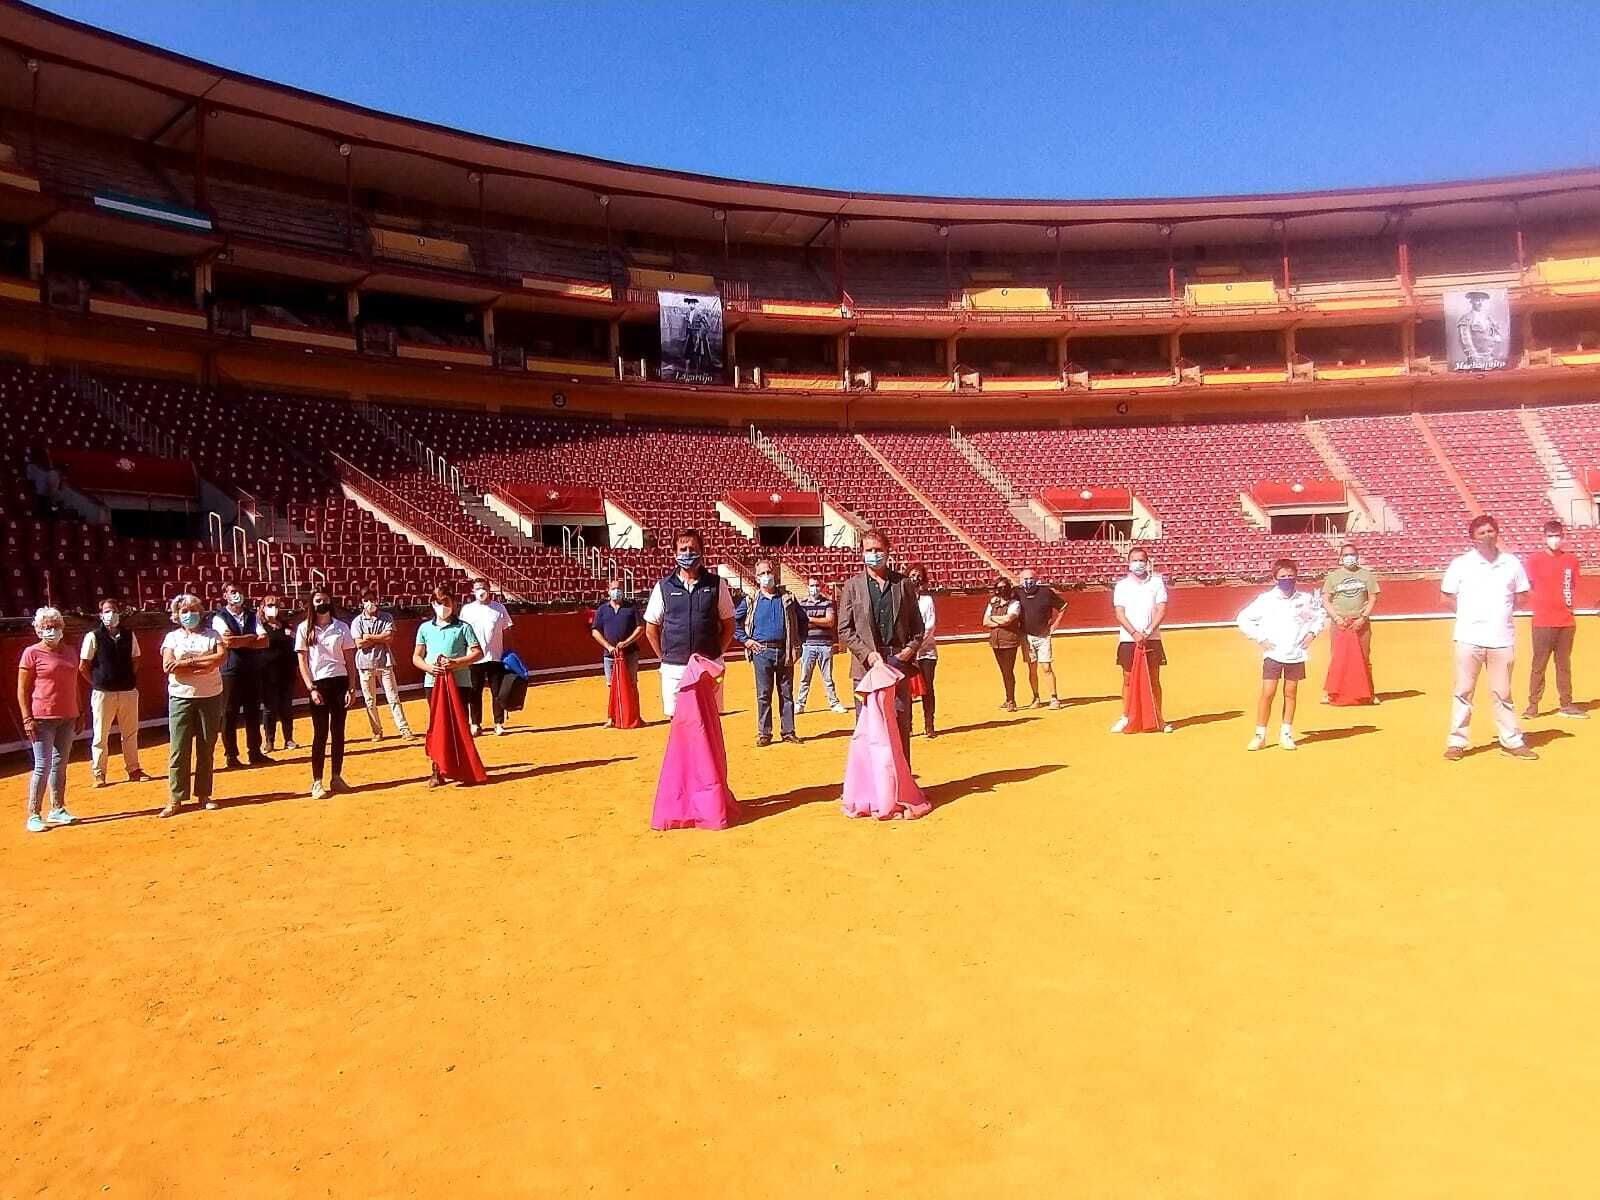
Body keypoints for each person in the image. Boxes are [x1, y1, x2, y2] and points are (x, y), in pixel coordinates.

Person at [1441, 515, 1537, 760]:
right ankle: (1456, 742)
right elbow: (1447, 598)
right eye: (1481, 532)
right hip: (1468, 637)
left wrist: (1501, 614)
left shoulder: (1511, 563)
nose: (1487, 535)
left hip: (1501, 638)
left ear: (1497, 533)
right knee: (1463, 691)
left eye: (1490, 531)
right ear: (1473, 537)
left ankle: (1512, 740)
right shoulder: (1461, 564)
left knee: (1502, 693)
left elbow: (1522, 596)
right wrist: (1468, 616)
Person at [836, 528, 925, 761]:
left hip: (897, 664)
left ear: (888, 551)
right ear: (862, 553)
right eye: (869, 550)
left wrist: (908, 651)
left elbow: (918, 627)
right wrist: (867, 654)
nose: (874, 554)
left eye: (878, 550)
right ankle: (873, 787)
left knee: (899, 724)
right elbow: (844, 629)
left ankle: (902, 782)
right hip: (866, 668)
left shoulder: (903, 584)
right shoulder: (852, 586)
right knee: (868, 728)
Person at [643, 528, 736, 718]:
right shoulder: (663, 587)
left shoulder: (717, 584)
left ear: (701, 552)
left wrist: (716, 654)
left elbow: (729, 625)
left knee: (709, 721)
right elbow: (651, 628)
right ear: (674, 553)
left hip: (708, 667)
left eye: (692, 549)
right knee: (677, 722)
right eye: (683, 549)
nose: (688, 554)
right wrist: (665, 657)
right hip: (674, 668)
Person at [1237, 559, 1327, 751]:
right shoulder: (1265, 600)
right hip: (1274, 652)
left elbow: (1319, 615)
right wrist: (1260, 638)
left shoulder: (1304, 599)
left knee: (1290, 693)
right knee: (1268, 693)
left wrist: (1312, 634)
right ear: (1274, 578)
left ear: (1296, 576)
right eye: (1283, 577)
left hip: (1296, 652)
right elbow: (1243, 618)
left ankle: (1286, 733)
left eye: (1290, 576)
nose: (1287, 579)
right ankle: (1260, 735)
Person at [160, 592, 227, 817]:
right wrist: (201, 663)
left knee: (206, 747)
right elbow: (169, 665)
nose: (190, 615)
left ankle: (204, 794)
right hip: (181, 696)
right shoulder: (172, 638)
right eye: (185, 611)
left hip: (210, 694)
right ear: (177, 615)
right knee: (179, 748)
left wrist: (187, 662)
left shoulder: (212, 634)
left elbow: (220, 658)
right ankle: (176, 797)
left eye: (194, 610)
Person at [413, 585, 485, 787]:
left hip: (460, 682)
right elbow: (416, 657)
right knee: (438, 725)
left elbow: (477, 652)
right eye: (438, 602)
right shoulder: (425, 628)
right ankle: (437, 770)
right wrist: (429, 668)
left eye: (446, 602)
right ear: (432, 604)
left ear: (453, 603)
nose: (442, 606)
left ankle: (462, 767)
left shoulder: (463, 627)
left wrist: (457, 663)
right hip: (433, 683)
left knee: (459, 725)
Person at [17, 606, 80, 832]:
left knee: (60, 765)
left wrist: (79, 711)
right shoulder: (31, 653)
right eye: (45, 627)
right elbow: (22, 690)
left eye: (54, 626)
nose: (50, 630)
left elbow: (75, 684)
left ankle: (58, 808)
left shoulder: (70, 651)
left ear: (61, 628)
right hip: (42, 717)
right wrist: (27, 718)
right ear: (38, 630)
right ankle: (33, 814)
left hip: (68, 715)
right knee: (42, 766)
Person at [733, 557, 804, 746]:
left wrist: (799, 644)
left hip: (784, 650)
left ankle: (788, 731)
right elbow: (734, 622)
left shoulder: (787, 598)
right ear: (756, 578)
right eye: (762, 573)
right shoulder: (751, 600)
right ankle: (765, 732)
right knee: (764, 694)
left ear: (775, 574)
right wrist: (746, 641)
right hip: (761, 651)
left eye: (769, 572)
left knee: (786, 693)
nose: (766, 576)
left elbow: (803, 621)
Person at [295, 589, 359, 799]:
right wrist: (311, 688)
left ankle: (336, 776)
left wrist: (352, 687)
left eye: (324, 600)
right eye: (317, 601)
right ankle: (317, 782)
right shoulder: (304, 628)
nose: (321, 603)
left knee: (338, 731)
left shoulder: (341, 628)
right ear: (311, 604)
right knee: (320, 733)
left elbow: (349, 659)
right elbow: (303, 662)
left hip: (339, 682)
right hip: (319, 685)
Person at [78, 595, 148, 786]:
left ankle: (133, 769)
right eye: (107, 611)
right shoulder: (93, 636)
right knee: (101, 734)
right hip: (103, 692)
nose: (112, 615)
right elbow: (83, 665)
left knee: (131, 732)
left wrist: (127, 678)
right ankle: (99, 773)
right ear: (101, 615)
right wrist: (97, 682)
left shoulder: (128, 635)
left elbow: (136, 659)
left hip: (127, 690)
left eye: (115, 611)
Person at [1523, 518, 1585, 720]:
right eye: (1551, 536)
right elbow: (1528, 586)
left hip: (1566, 621)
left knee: (1564, 664)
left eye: (1557, 536)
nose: (1554, 540)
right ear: (1544, 537)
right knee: (1539, 664)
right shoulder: (1534, 560)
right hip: (1542, 621)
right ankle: (1533, 705)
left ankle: (1566, 703)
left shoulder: (1571, 561)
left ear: (1563, 537)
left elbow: (1572, 585)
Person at [1111, 547, 1172, 733]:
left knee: (1154, 678)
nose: (1138, 563)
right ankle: (1126, 716)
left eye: (1141, 560)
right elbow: (1119, 613)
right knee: (1128, 678)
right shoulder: (1122, 586)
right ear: (1129, 563)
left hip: (1151, 637)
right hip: (1129, 639)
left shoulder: (1157, 583)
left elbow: (1162, 609)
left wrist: (1147, 631)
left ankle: (1158, 717)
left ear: (1147, 562)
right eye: (1135, 560)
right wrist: (1135, 633)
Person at [212, 579, 269, 768]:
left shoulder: (253, 615)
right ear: (225, 595)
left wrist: (240, 640)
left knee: (253, 711)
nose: (237, 594)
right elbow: (227, 643)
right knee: (229, 713)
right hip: (230, 670)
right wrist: (251, 638)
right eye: (232, 591)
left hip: (252, 669)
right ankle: (231, 755)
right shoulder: (219, 617)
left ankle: (255, 752)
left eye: (239, 591)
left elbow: (264, 641)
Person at [1321, 542, 1381, 701]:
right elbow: (1326, 599)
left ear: (1357, 556)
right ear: (1341, 558)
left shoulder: (1367, 575)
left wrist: (1363, 617)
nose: (1349, 558)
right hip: (1339, 622)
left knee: (1364, 656)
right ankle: (1332, 692)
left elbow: (1373, 598)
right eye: (1346, 555)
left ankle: (1369, 692)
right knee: (1337, 657)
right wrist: (1337, 618)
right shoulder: (1333, 577)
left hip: (1360, 621)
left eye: (1352, 554)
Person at [352, 591, 415, 741]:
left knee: (393, 697)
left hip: (384, 662)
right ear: (362, 602)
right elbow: (359, 643)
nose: (370, 602)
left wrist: (369, 637)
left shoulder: (386, 617)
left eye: (372, 599)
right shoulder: (357, 621)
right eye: (366, 600)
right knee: (370, 701)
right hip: (365, 664)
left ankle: (404, 729)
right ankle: (377, 731)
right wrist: (379, 638)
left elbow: (389, 638)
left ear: (377, 600)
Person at [460, 579, 514, 736]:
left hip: (495, 656)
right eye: (477, 588)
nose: (481, 591)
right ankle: (476, 724)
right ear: (472, 591)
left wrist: (507, 653)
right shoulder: (467, 610)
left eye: (483, 588)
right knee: (474, 692)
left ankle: (498, 723)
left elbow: (507, 629)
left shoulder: (499, 608)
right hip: (474, 657)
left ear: (489, 589)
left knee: (497, 692)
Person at [591, 578, 644, 725]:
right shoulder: (602, 610)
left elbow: (640, 628)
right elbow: (595, 631)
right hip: (609, 655)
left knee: (632, 684)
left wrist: (626, 643)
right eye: (614, 588)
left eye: (619, 588)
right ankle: (612, 717)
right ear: (608, 591)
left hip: (630, 653)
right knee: (612, 686)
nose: (617, 591)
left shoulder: (631, 608)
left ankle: (635, 716)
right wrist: (608, 646)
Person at [795, 577, 848, 714]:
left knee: (828, 677)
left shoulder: (828, 603)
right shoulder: (802, 604)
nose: (815, 588)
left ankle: (833, 702)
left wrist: (811, 619)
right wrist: (820, 620)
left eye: (817, 585)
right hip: (808, 645)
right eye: (812, 585)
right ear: (808, 587)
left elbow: (830, 622)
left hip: (825, 645)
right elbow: (801, 623)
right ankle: (800, 703)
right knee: (804, 677)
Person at [1017, 567, 1067, 708]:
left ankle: (1054, 698)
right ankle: (1036, 698)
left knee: (1046, 667)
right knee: (1032, 669)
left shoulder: (1045, 592)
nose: (1028, 581)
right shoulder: (1017, 593)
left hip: (1043, 635)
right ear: (1020, 581)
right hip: (1026, 636)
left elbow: (1063, 606)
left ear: (1036, 579)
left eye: (1031, 578)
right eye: (1025, 579)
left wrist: (1056, 623)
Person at [258, 593, 299, 752]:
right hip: (267, 673)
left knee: (286, 706)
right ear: (263, 607)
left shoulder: (287, 626)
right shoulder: (261, 627)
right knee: (270, 708)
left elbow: (295, 646)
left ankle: (288, 739)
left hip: (286, 671)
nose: (273, 608)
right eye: (269, 605)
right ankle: (269, 741)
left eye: (275, 605)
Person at [907, 562, 939, 739]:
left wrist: (915, 645)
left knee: (927, 688)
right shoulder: (903, 600)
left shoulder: (927, 600)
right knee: (907, 690)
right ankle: (908, 725)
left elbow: (930, 625)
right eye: (912, 575)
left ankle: (929, 724)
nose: (915, 578)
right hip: (908, 653)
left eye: (918, 575)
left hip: (926, 652)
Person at [983, 579, 1024, 710]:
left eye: (1004, 587)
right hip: (996, 642)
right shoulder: (993, 603)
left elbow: (1009, 619)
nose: (1002, 590)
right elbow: (985, 621)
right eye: (999, 587)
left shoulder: (1015, 603)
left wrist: (994, 619)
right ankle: (1008, 699)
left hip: (1009, 641)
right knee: (1004, 671)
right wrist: (1000, 621)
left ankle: (1011, 700)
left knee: (1008, 671)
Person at [1456, 290, 1505, 369]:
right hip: (1476, 360)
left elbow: (1497, 336)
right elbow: (1465, 340)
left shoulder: (1489, 318)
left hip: (1490, 359)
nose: (1480, 303)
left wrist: (1495, 352)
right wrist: (1474, 357)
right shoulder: (1466, 319)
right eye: (1477, 300)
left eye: (1482, 300)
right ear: (1471, 302)